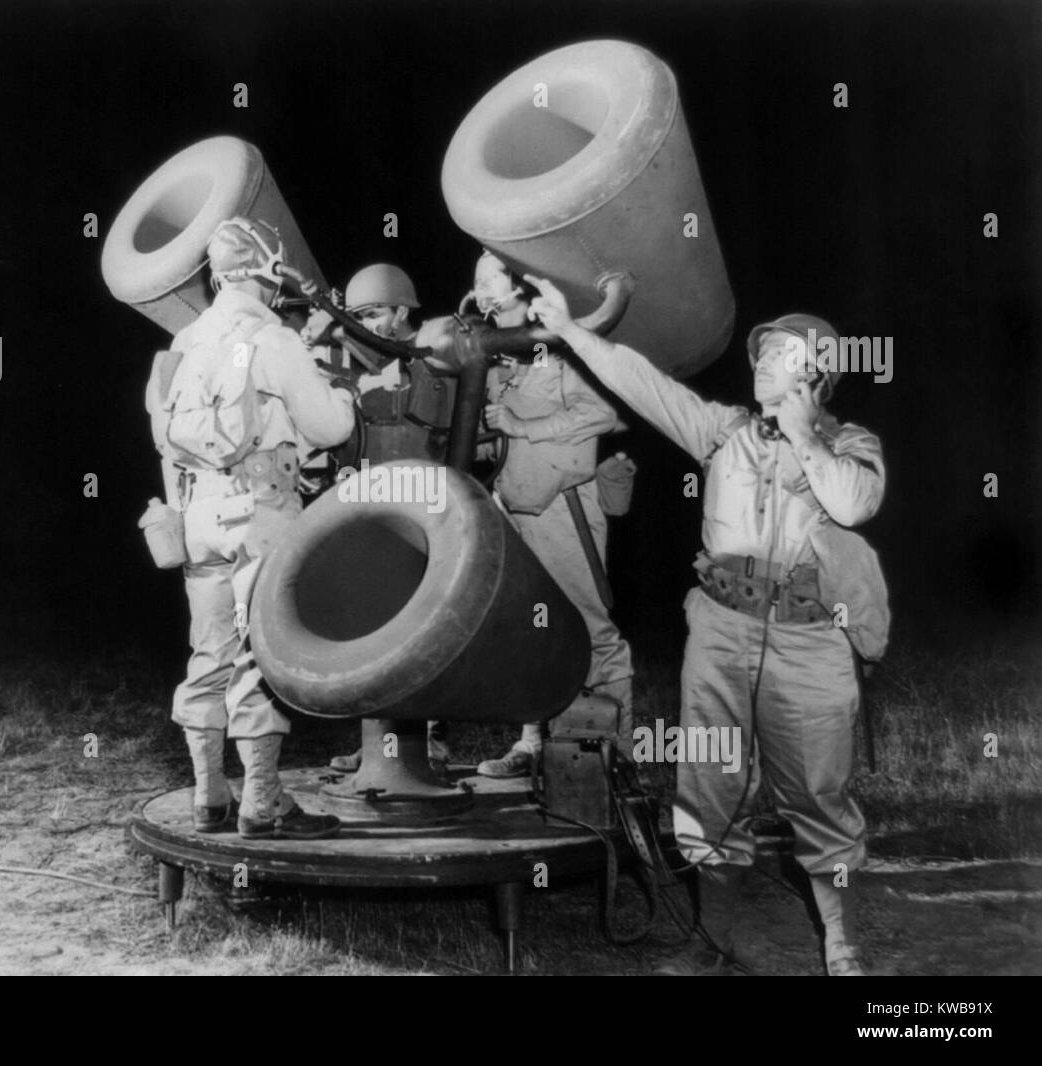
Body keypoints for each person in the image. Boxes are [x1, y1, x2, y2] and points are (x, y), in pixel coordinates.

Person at [524, 273, 888, 976]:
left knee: (817, 792)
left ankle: (842, 943)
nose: (759, 363)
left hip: (810, 640)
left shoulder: (852, 444)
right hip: (722, 631)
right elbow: (644, 384)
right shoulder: (723, 432)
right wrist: (571, 331)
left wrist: (807, 436)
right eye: (759, 353)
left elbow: (853, 506)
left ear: (816, 374)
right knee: (710, 782)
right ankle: (713, 940)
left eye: (777, 354)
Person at [145, 216, 356, 840]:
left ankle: (209, 797)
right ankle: (262, 804)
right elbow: (331, 430)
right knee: (259, 655)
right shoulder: (274, 339)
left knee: (208, 653)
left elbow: (163, 436)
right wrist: (340, 393)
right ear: (270, 271)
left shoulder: (181, 341)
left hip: (198, 517)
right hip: (256, 516)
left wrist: (183, 514)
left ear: (216, 277)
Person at [467, 251, 635, 778]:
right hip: (513, 510)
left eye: (487, 277)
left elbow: (603, 414)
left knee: (591, 629)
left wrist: (522, 428)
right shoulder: (496, 361)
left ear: (518, 285)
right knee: (531, 630)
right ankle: (533, 743)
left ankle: (618, 758)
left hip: (563, 509)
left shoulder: (558, 348)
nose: (478, 289)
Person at [317, 263, 454, 773]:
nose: (367, 324)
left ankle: (430, 738)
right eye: (359, 316)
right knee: (375, 626)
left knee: (427, 625)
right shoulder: (357, 364)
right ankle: (380, 747)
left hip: (428, 510)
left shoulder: (436, 351)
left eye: (375, 313)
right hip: (372, 509)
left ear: (402, 310)